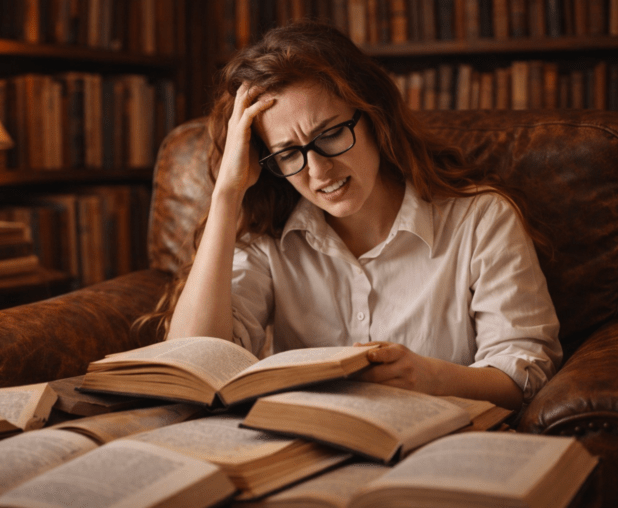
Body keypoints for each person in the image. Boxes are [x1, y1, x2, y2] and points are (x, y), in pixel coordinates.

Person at [152, 21, 561, 411]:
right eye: (289, 154)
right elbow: (192, 369)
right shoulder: (268, 238)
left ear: (374, 117)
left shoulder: (481, 219)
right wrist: (228, 194)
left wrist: (433, 378)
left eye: (329, 134)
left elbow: (524, 371)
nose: (318, 172)